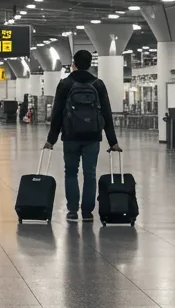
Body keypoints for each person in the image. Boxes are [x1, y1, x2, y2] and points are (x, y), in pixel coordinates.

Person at [44, 50, 121, 222]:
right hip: (93, 136)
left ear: (74, 64)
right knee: (90, 173)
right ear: (90, 64)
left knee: (70, 172)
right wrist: (113, 141)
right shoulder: (98, 84)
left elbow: (56, 113)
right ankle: (87, 212)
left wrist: (51, 139)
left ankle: (72, 210)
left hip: (70, 136)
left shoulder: (65, 84)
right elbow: (107, 113)